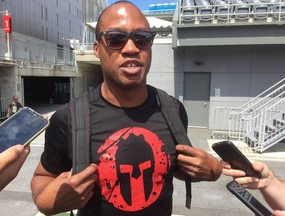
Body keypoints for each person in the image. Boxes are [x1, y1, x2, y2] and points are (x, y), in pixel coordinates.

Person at [30, 1, 222, 215]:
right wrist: (46, 202)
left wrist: (212, 169)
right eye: (116, 39)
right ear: (97, 49)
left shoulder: (173, 110)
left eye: (142, 39)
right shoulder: (68, 119)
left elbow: (173, 167)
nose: (131, 49)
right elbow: (43, 176)